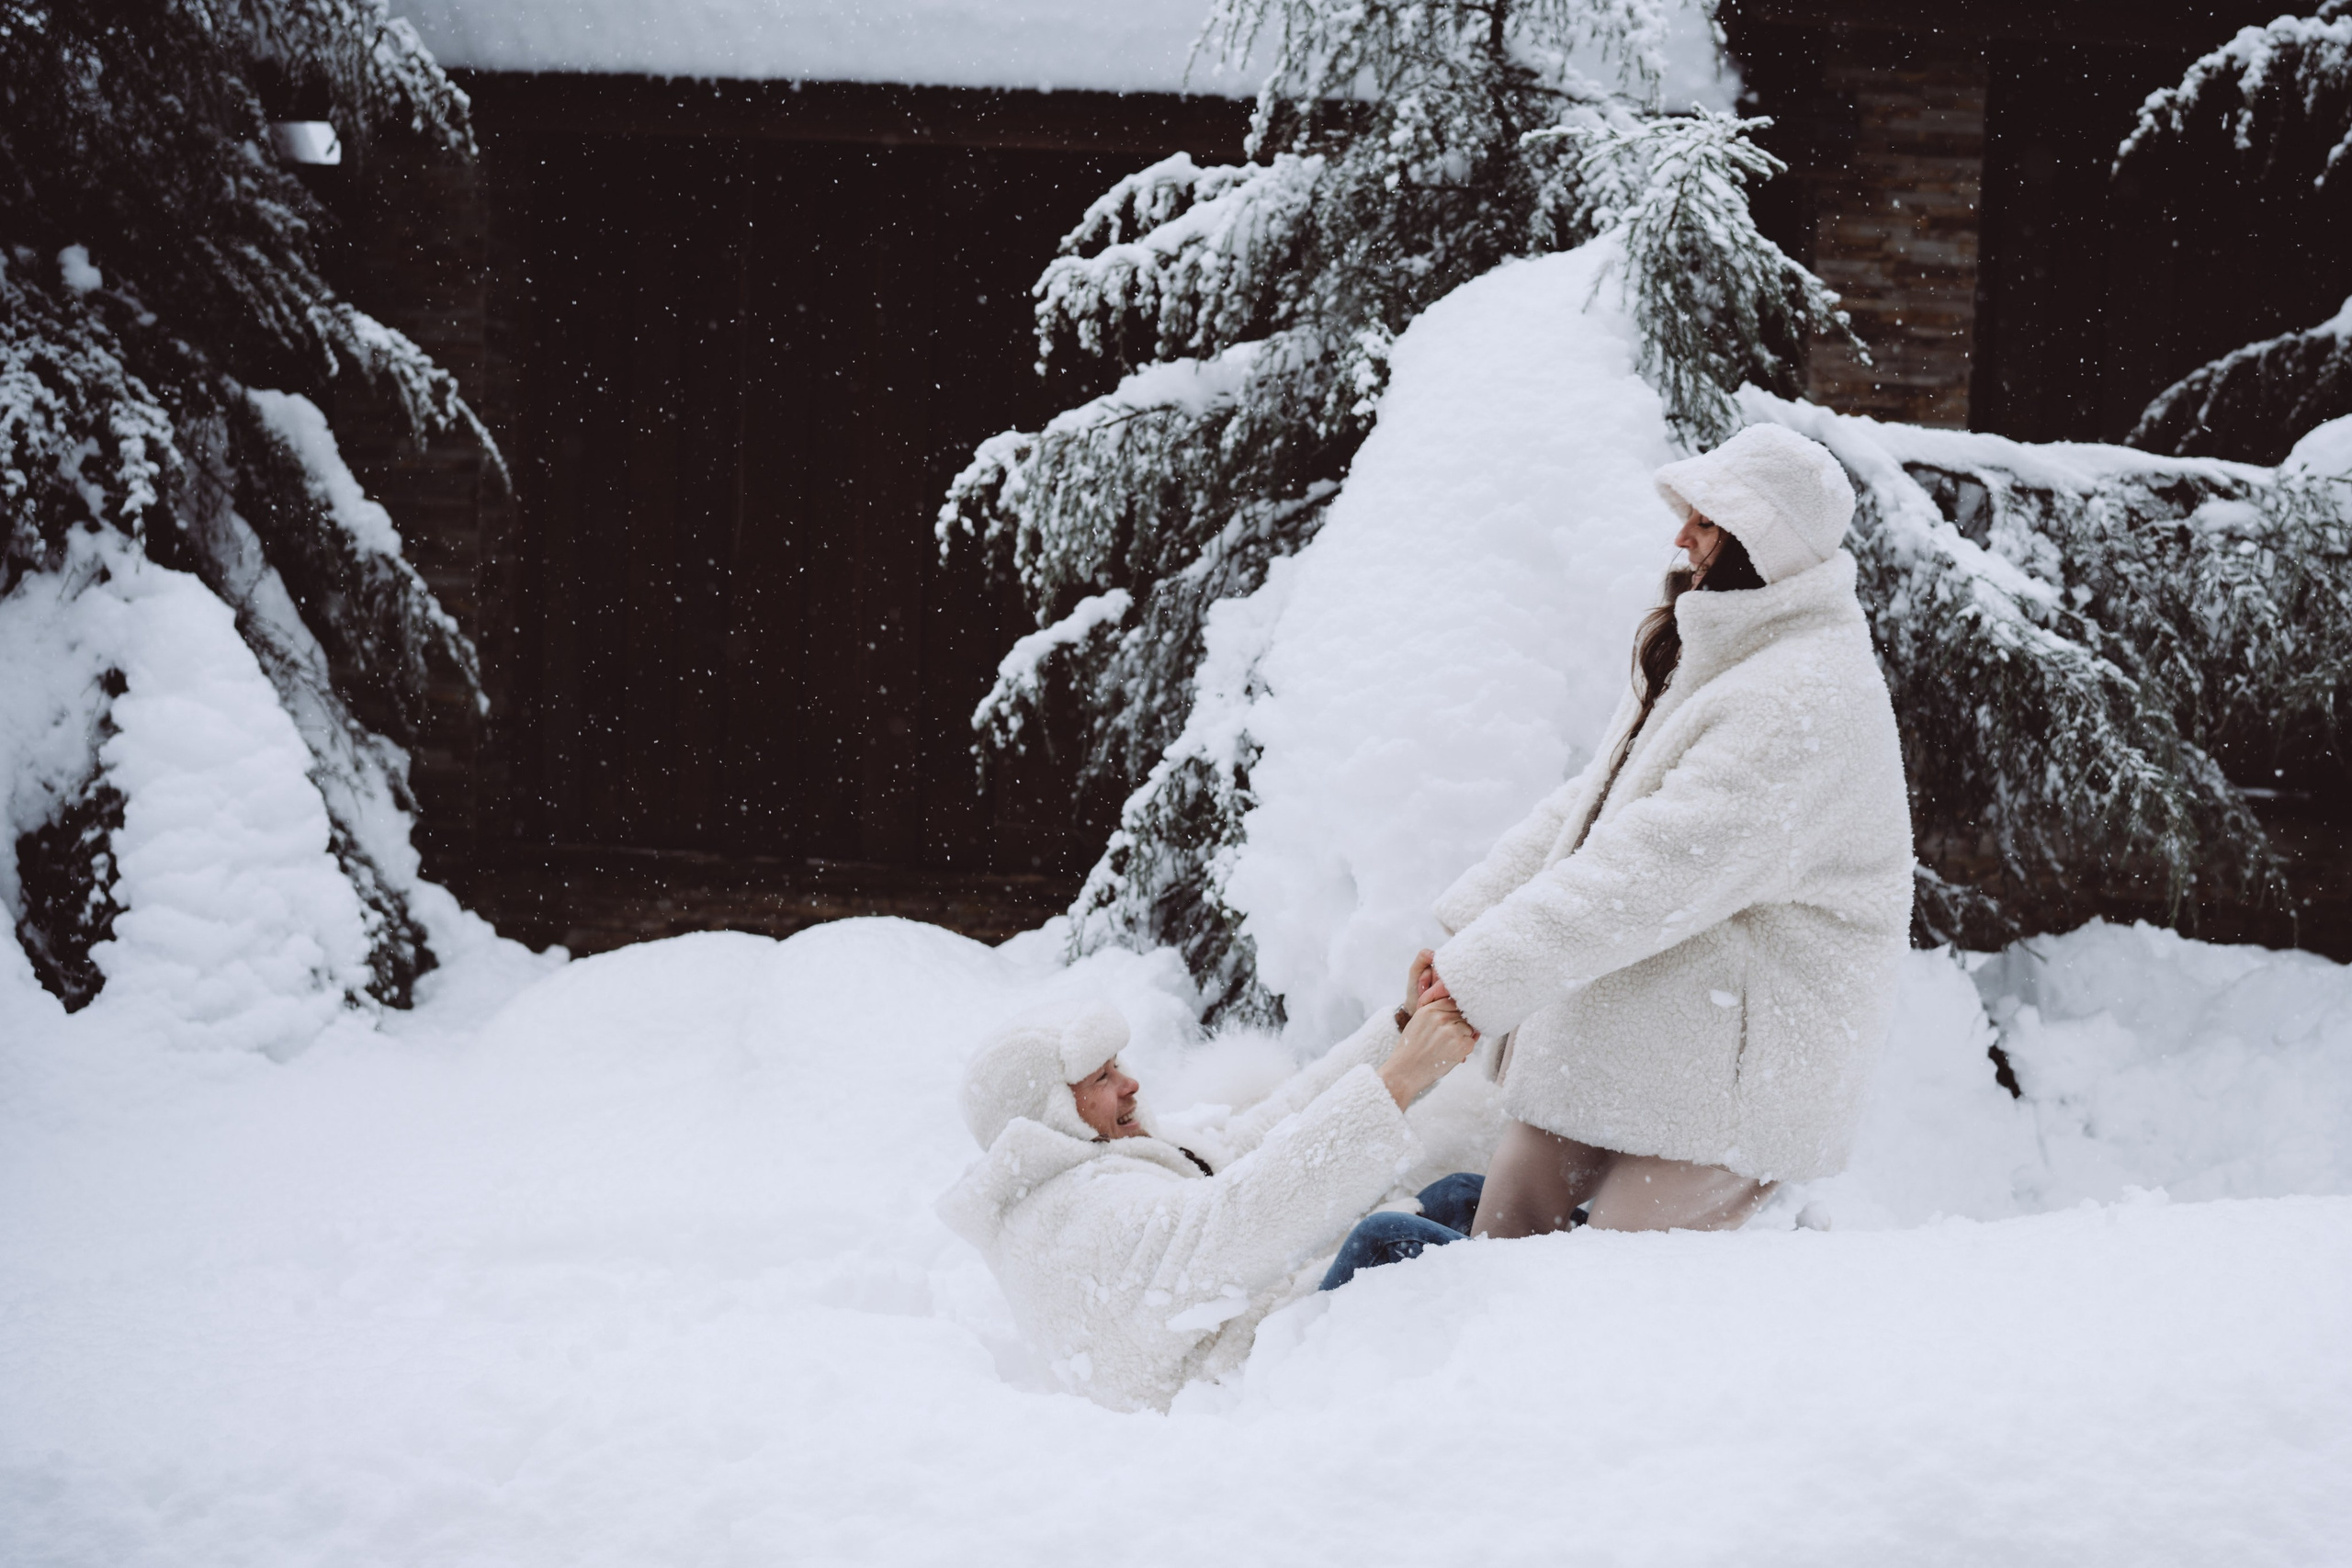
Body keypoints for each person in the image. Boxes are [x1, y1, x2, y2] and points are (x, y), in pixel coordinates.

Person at [1421, 423, 1913, 1238]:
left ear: (1764, 544)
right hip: (1634, 1044)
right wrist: (1472, 923)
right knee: (1497, 1246)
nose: (1681, 534)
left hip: (1730, 1090)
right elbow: (1604, 799)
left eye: (1708, 522)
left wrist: (1481, 976)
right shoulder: (1721, 642)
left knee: (1608, 1302)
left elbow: (1645, 873)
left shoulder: (1803, 699)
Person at [935, 981, 1477, 1412]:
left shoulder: (1103, 1155)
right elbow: (1240, 1219)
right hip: (1245, 1394)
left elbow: (1265, 1135)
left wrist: (1400, 1038)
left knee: (1453, 1197)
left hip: (1268, 1337)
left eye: (1120, 1063)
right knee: (1398, 1238)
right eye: (1103, 1076)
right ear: (1050, 1111)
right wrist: (1397, 1081)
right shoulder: (1073, 1220)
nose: (1130, 1085)